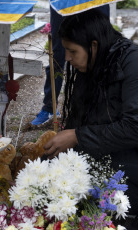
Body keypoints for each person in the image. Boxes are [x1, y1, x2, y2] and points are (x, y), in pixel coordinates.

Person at [43, 9, 138, 221]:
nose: (67, 58)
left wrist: (77, 136)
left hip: (130, 173)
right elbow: (79, 118)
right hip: (98, 162)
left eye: (72, 51)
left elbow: (134, 127)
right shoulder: (92, 64)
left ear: (93, 45)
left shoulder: (132, 63)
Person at [31, 5, 109, 126]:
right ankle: (49, 108)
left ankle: (97, 109)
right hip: (63, 4)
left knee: (97, 51)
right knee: (57, 55)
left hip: (93, 3)